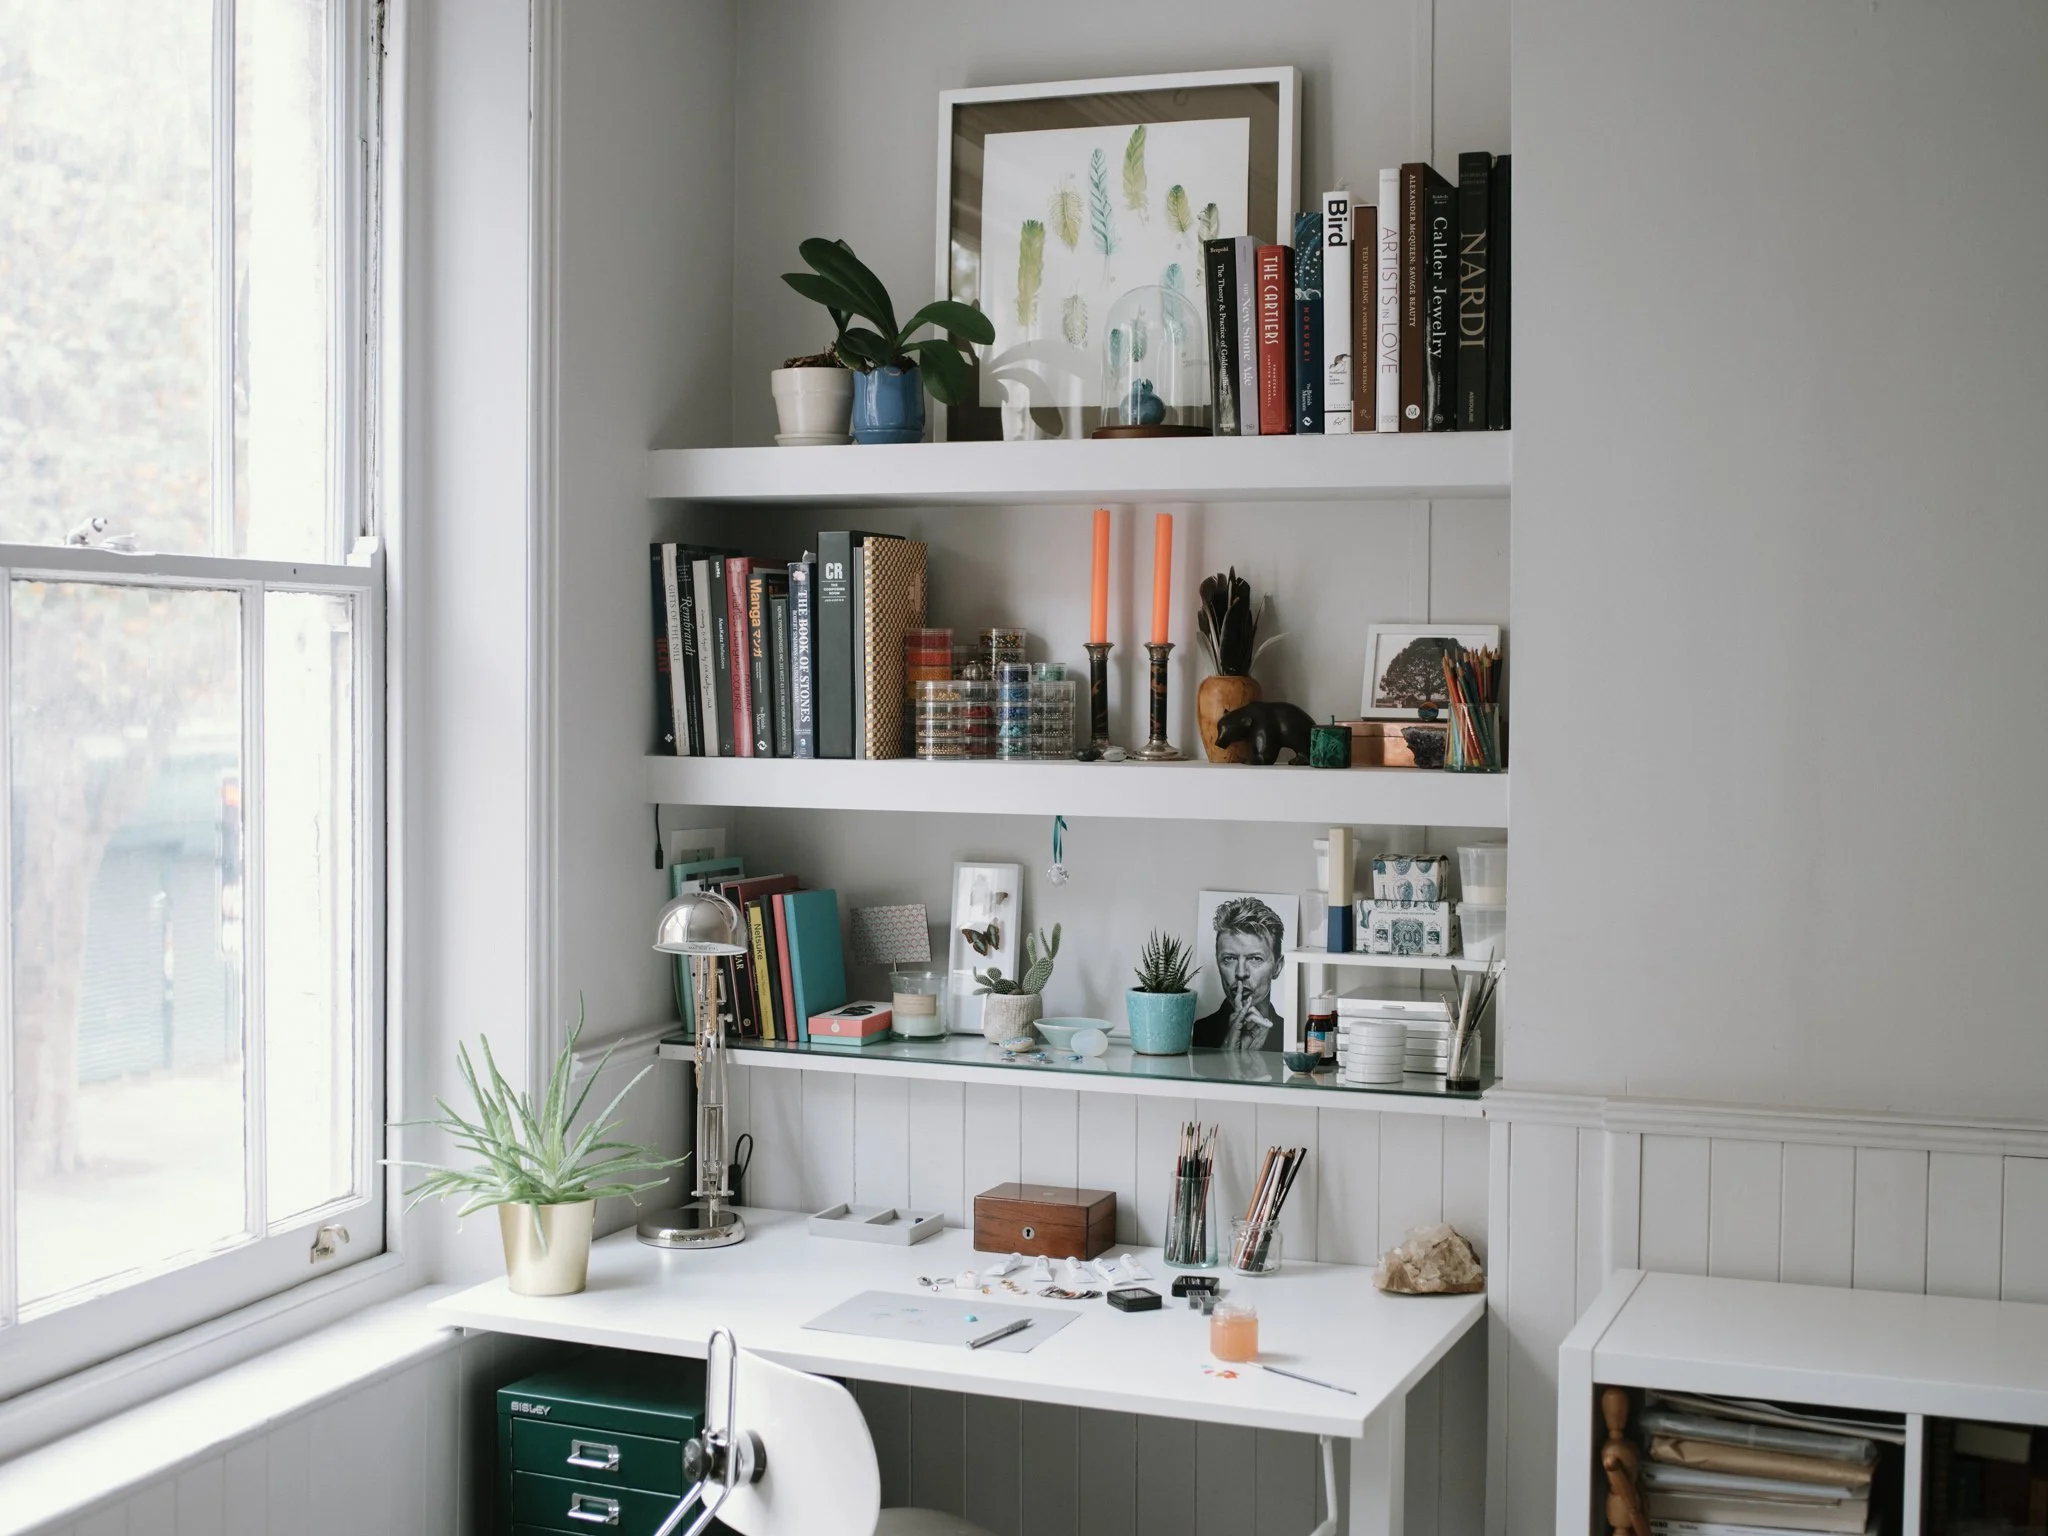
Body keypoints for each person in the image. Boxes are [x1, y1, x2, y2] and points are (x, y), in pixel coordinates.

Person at [1192, 896, 1285, 1050]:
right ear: (1218, 962)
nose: (1241, 973)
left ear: (1277, 967)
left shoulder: (1291, 1034)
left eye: (1255, 958)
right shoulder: (1200, 1031)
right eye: (1229, 958)